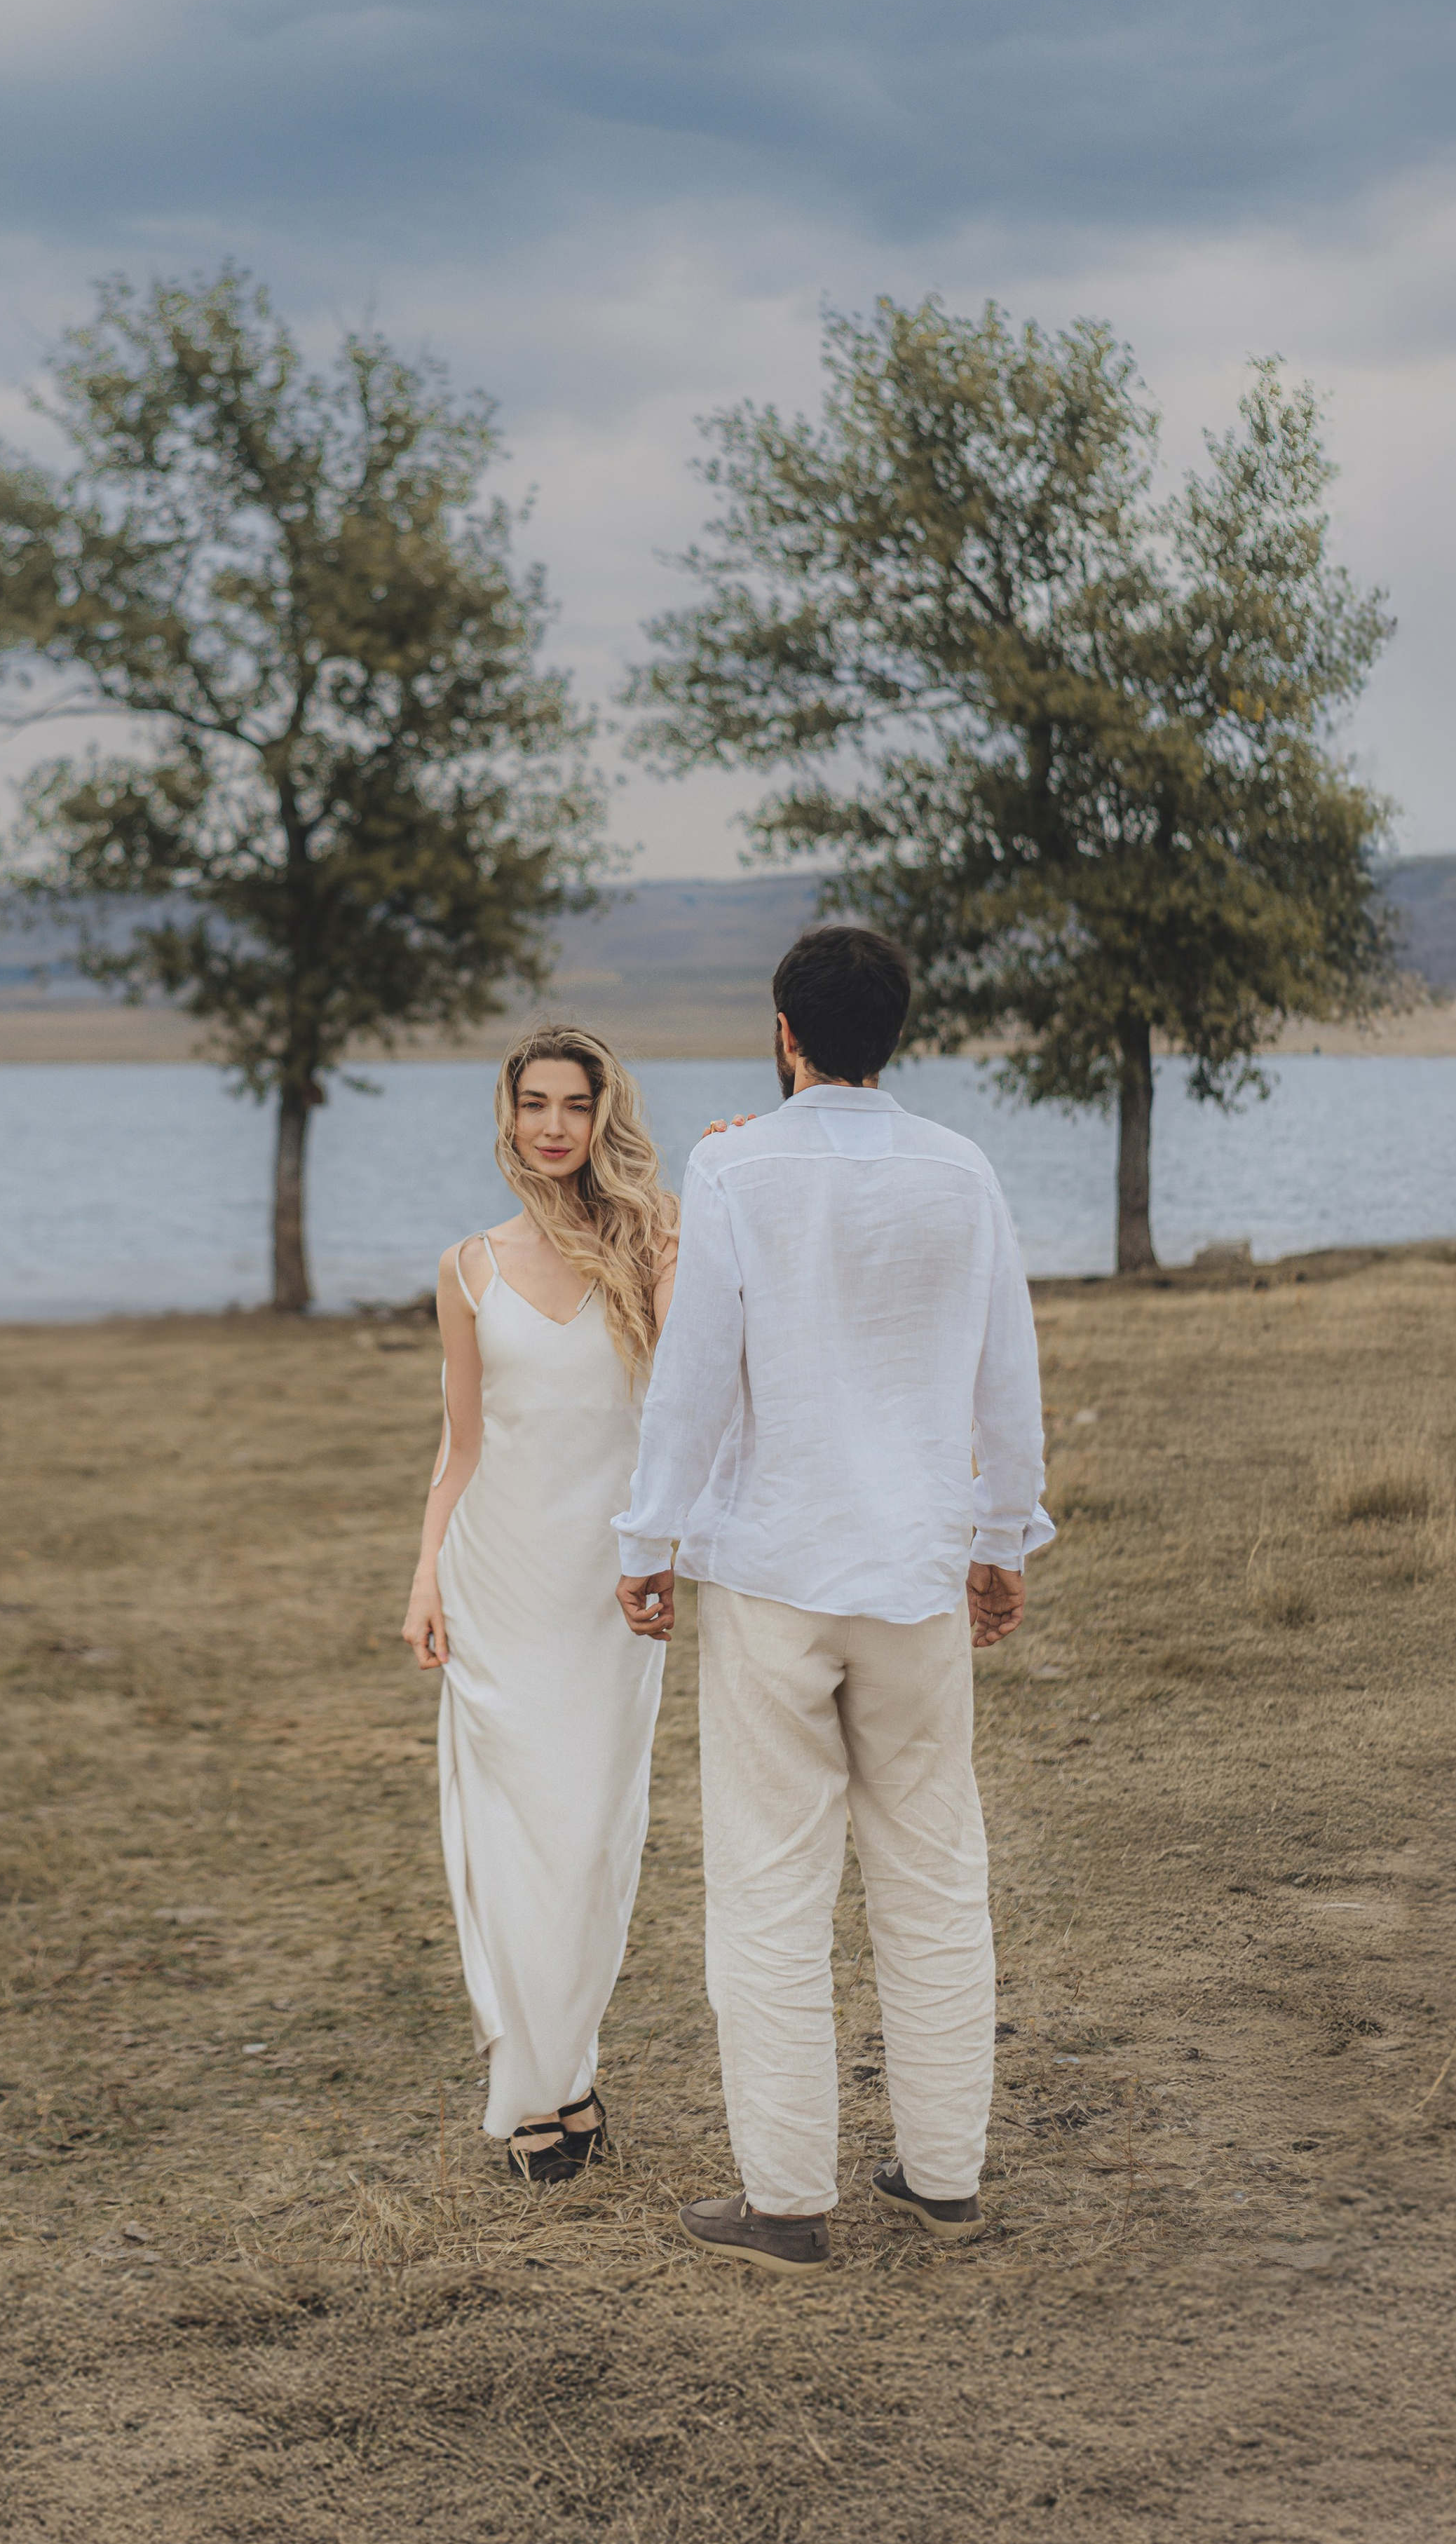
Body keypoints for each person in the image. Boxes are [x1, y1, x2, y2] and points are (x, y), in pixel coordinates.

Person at [614, 926, 1054, 2276]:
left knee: (768, 1883)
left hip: (775, 1572)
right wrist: (1002, 1539)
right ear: (895, 1033)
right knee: (934, 1872)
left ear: (785, 1029)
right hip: (916, 1575)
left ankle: (790, 2198)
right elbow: (1008, 1375)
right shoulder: (962, 1170)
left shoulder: (735, 1166)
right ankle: (944, 2173)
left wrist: (648, 1537)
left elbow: (695, 1375)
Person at [404, 1027, 678, 2182]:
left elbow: (687, 1410)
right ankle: (541, 2093)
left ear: (603, 1115)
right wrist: (425, 1572)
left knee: (593, 1837)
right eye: (535, 1103)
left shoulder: (656, 1240)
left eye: (577, 1103)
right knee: (514, 1838)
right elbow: (461, 1446)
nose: (555, 1125)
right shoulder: (465, 1267)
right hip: (497, 1577)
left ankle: (566, 2063)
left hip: (608, 1587)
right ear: (509, 1115)